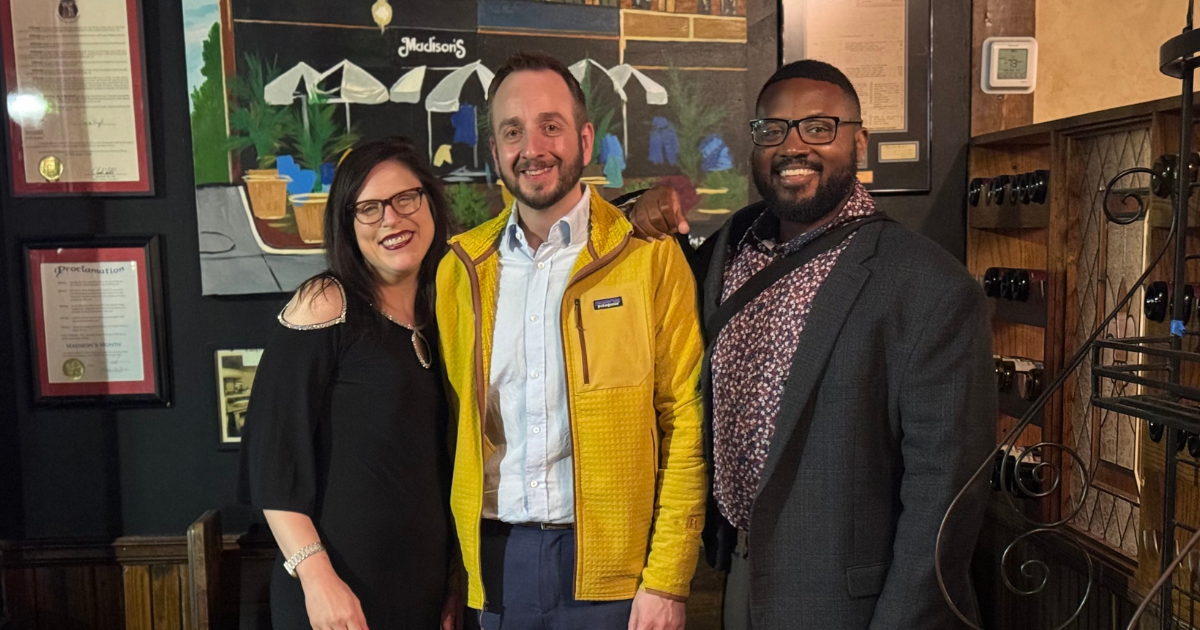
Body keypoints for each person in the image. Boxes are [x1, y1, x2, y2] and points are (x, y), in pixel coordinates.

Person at [627, 59, 996, 629]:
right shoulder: (731, 247)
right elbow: (659, 299)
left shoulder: (930, 287)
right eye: (771, 130)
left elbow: (944, 498)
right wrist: (639, 207)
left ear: (860, 142)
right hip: (740, 578)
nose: (792, 146)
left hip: (850, 603)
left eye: (818, 128)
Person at [435, 51, 706, 630]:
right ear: (495, 153)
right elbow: (450, 423)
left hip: (619, 578)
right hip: (497, 569)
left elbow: (685, 419)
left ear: (585, 139)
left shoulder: (647, 256)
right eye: (513, 131)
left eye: (550, 126)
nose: (532, 147)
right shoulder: (461, 269)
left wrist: (667, 579)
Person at [240, 137, 462, 630]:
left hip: (421, 593)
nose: (392, 219)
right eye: (369, 208)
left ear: (429, 200)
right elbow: (271, 456)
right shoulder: (327, 301)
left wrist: (452, 579)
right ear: (347, 223)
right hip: (337, 597)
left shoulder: (445, 313)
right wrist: (318, 580)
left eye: (406, 198)